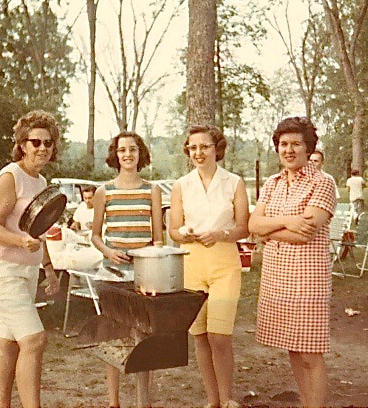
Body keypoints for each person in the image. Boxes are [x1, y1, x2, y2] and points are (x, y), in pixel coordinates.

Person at [249, 116, 336, 408]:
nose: (289, 150)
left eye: (296, 144)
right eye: (284, 144)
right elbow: (252, 224)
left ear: (308, 147)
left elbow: (306, 233)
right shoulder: (272, 183)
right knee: (293, 348)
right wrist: (286, 221)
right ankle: (306, 403)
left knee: (310, 352)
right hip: (277, 278)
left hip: (308, 279)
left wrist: (269, 230)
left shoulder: (323, 182)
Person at [0, 110, 61, 408]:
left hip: (25, 272)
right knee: (35, 340)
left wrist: (48, 269)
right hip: (0, 270)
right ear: (22, 144)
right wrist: (20, 240)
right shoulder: (10, 176)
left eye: (48, 143)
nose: (42, 148)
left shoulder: (40, 182)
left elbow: (40, 233)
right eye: (35, 142)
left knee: (9, 343)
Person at [169, 125, 249, 408]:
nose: (198, 153)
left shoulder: (234, 182)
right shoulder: (181, 184)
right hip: (192, 262)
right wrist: (185, 234)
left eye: (204, 146)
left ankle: (227, 399)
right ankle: (212, 401)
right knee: (200, 335)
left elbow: (243, 227)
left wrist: (221, 234)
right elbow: (173, 230)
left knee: (219, 335)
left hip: (224, 261)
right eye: (193, 148)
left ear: (217, 148)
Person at [91, 131, 163, 408]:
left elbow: (158, 237)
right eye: (122, 150)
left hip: (143, 275)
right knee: (114, 338)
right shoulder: (104, 191)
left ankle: (143, 402)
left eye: (133, 149)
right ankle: (114, 402)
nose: (128, 155)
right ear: (115, 155)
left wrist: (148, 256)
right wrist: (109, 252)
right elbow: (96, 236)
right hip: (112, 273)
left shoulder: (151, 190)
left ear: (140, 153)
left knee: (144, 338)